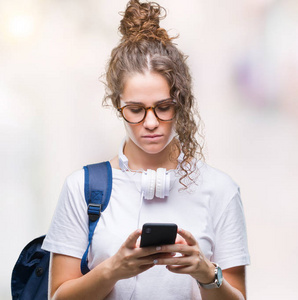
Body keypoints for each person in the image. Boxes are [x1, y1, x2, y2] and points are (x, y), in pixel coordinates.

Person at [41, 1, 250, 299]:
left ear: (182, 103)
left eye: (164, 107)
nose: (150, 122)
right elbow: (58, 297)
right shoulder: (82, 188)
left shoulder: (220, 190)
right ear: (117, 106)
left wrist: (206, 273)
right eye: (135, 109)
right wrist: (114, 269)